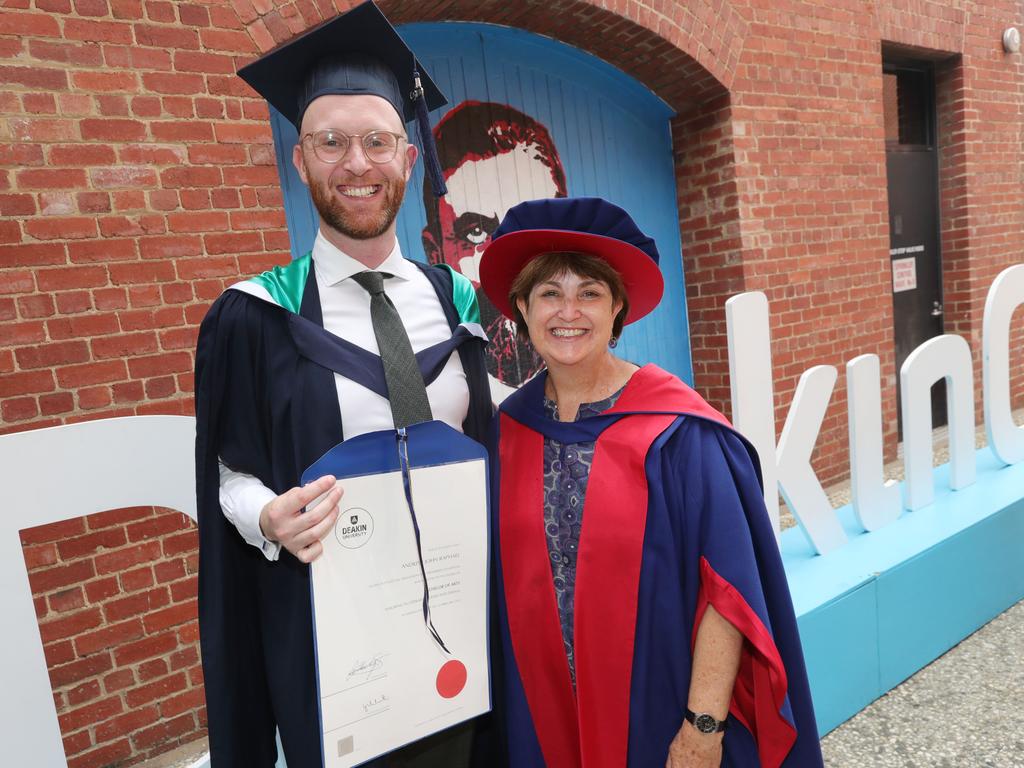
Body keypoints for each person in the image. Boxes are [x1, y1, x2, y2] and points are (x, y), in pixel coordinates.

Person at [193, 3, 493, 766]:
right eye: (330, 142)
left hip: (463, 622)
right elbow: (227, 474)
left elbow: (490, 435)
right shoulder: (253, 317)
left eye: (377, 141)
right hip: (337, 643)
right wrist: (266, 515)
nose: (356, 164)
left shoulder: (457, 302)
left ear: (408, 159)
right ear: (300, 161)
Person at [478, 197, 824, 768]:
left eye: (589, 292)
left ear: (618, 308)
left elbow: (728, 592)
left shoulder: (681, 435)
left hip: (657, 713)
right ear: (522, 307)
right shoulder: (507, 431)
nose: (570, 311)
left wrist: (702, 728)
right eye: (549, 293)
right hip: (542, 715)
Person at [421, 101, 567, 397]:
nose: (510, 264)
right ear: (435, 254)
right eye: (476, 233)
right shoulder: (432, 397)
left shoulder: (625, 399)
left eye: (530, 229)